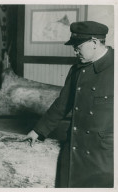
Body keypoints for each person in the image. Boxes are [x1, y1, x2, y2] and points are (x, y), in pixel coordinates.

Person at [25, 21, 114, 188]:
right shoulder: (76, 70)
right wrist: (38, 130)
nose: (74, 51)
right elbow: (62, 104)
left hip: (105, 153)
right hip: (75, 146)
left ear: (94, 43)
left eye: (77, 46)